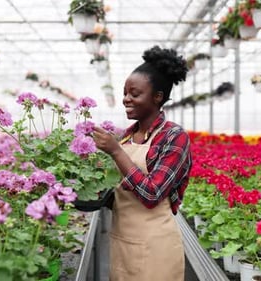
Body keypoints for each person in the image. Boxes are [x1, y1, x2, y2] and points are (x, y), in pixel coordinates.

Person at [92, 45, 192, 281]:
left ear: (157, 97)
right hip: (122, 242)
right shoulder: (127, 136)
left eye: (134, 94)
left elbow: (152, 193)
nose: (126, 99)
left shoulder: (174, 137)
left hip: (155, 247)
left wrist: (116, 151)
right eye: (125, 92)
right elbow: (120, 185)